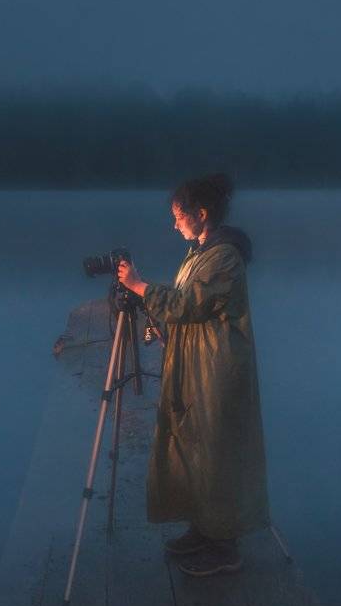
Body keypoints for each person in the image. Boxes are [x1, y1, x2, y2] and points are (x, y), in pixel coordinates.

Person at [116, 173, 270, 576]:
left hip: (218, 369)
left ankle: (225, 546)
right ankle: (204, 527)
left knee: (217, 449)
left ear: (201, 214)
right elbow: (185, 302)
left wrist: (140, 287)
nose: (174, 225)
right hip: (196, 362)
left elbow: (189, 305)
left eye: (178, 217)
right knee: (195, 443)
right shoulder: (201, 251)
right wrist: (148, 295)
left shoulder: (224, 257)